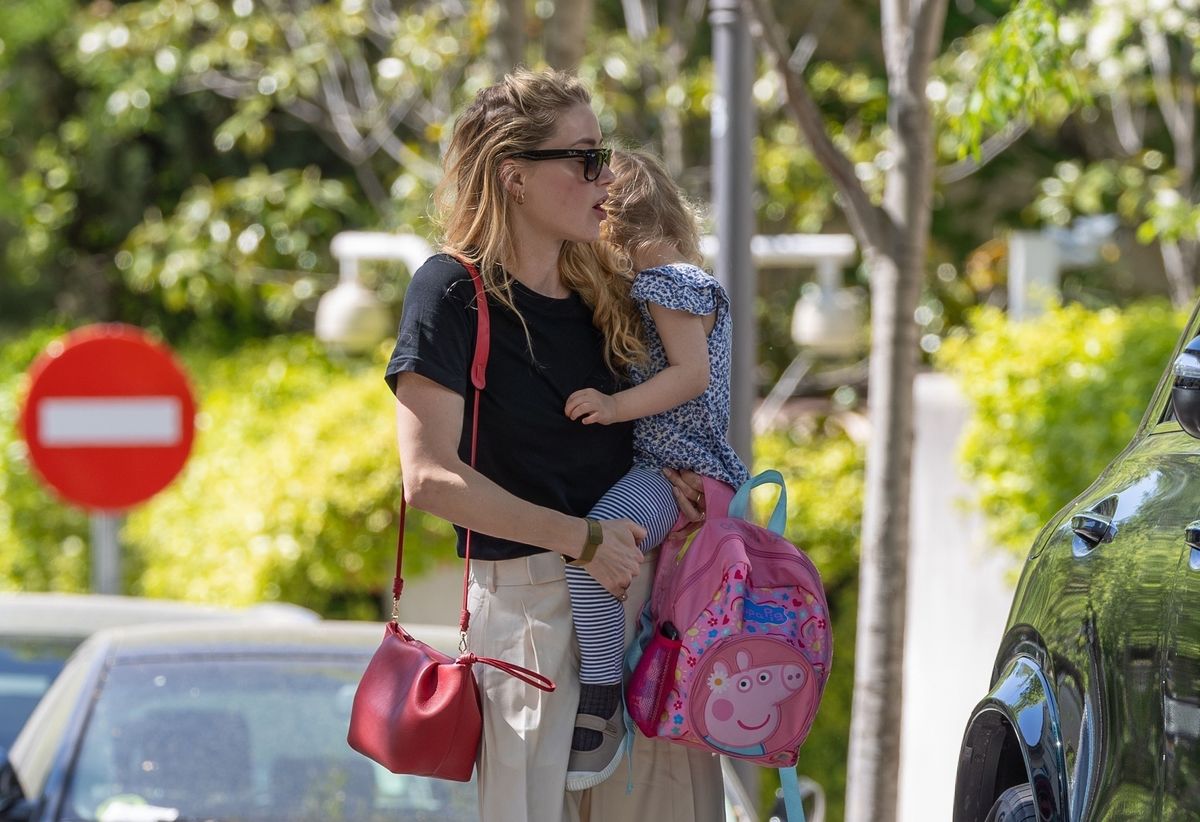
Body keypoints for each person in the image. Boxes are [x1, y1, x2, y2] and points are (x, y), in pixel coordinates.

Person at [384, 69, 717, 822]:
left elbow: (678, 401)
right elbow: (428, 478)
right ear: (516, 177)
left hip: (649, 605)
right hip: (529, 619)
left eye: (604, 154)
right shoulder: (450, 292)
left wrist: (673, 471)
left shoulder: (615, 288)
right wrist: (583, 539)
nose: (607, 177)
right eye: (585, 157)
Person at [560, 149, 752, 790]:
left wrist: (615, 407)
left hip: (681, 467)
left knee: (595, 543)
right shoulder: (684, 279)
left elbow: (691, 375)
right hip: (685, 469)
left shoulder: (664, 282)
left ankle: (601, 693)